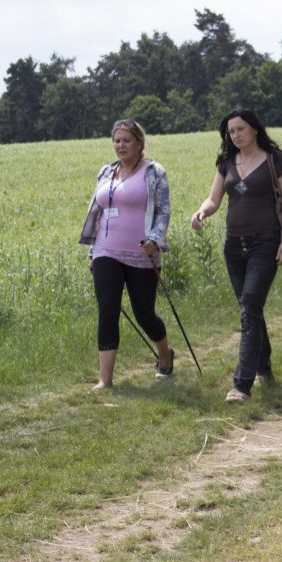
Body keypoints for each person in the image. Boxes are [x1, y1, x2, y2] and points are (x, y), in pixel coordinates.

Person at [190, 109, 282, 404]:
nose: (236, 135)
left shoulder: (274, 158)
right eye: (231, 131)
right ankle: (263, 366)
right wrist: (202, 211)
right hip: (234, 246)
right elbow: (214, 199)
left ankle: (242, 385)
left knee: (250, 305)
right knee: (250, 308)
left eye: (240, 129)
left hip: (266, 242)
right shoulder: (226, 161)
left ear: (254, 129)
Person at [79, 119, 174, 392]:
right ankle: (105, 380)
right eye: (117, 140)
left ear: (139, 143)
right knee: (107, 309)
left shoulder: (154, 172)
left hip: (141, 254)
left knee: (144, 314)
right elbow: (97, 211)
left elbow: (163, 211)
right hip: (105, 250)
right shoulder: (106, 172)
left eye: (126, 140)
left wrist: (155, 240)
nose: (120, 145)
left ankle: (165, 354)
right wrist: (93, 250)